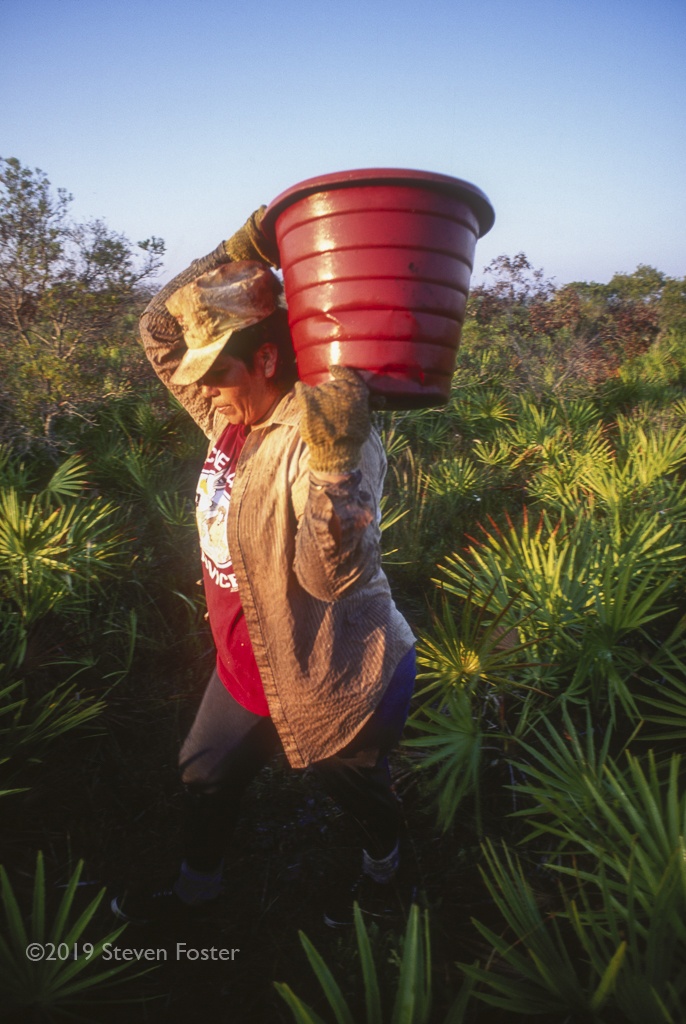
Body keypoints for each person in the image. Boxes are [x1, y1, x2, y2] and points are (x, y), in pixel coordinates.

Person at [111, 208, 416, 928]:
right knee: (205, 773)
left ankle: (387, 873)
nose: (203, 390)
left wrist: (338, 466)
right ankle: (197, 896)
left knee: (359, 792)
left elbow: (328, 577)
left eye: (216, 374)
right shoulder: (230, 415)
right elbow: (159, 329)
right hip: (245, 663)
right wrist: (237, 252)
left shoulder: (321, 439)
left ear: (268, 361)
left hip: (338, 670)